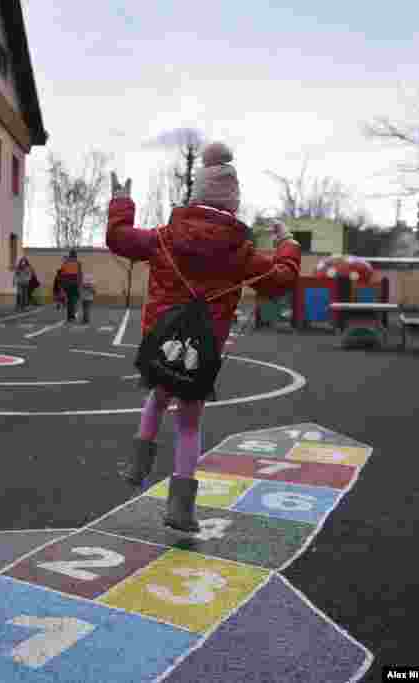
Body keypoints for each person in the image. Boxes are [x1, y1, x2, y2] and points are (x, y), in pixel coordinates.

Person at [106, 141, 301, 533]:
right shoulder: (240, 252)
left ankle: (137, 464)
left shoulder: (164, 237)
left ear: (196, 194)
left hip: (161, 343)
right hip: (202, 351)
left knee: (158, 395)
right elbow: (281, 280)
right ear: (233, 203)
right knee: (190, 424)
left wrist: (122, 202)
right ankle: (180, 507)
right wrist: (287, 243)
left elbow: (120, 239)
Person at [56, 249, 84, 322]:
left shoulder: (65, 263)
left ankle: (70, 317)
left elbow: (61, 274)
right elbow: (80, 274)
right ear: (75, 255)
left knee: (70, 301)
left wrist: (61, 285)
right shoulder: (78, 263)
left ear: (70, 255)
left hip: (66, 284)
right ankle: (72, 316)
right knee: (74, 300)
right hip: (75, 284)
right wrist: (80, 284)